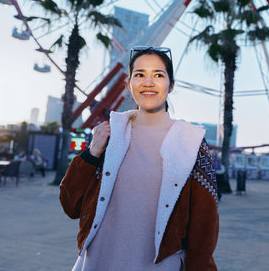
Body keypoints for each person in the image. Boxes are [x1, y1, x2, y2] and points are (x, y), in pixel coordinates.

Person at [59, 46, 219, 271]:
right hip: (98, 263)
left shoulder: (191, 142)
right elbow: (70, 206)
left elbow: (204, 229)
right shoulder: (109, 135)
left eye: (159, 75)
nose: (148, 82)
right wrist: (92, 152)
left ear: (171, 85)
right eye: (140, 74)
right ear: (129, 84)